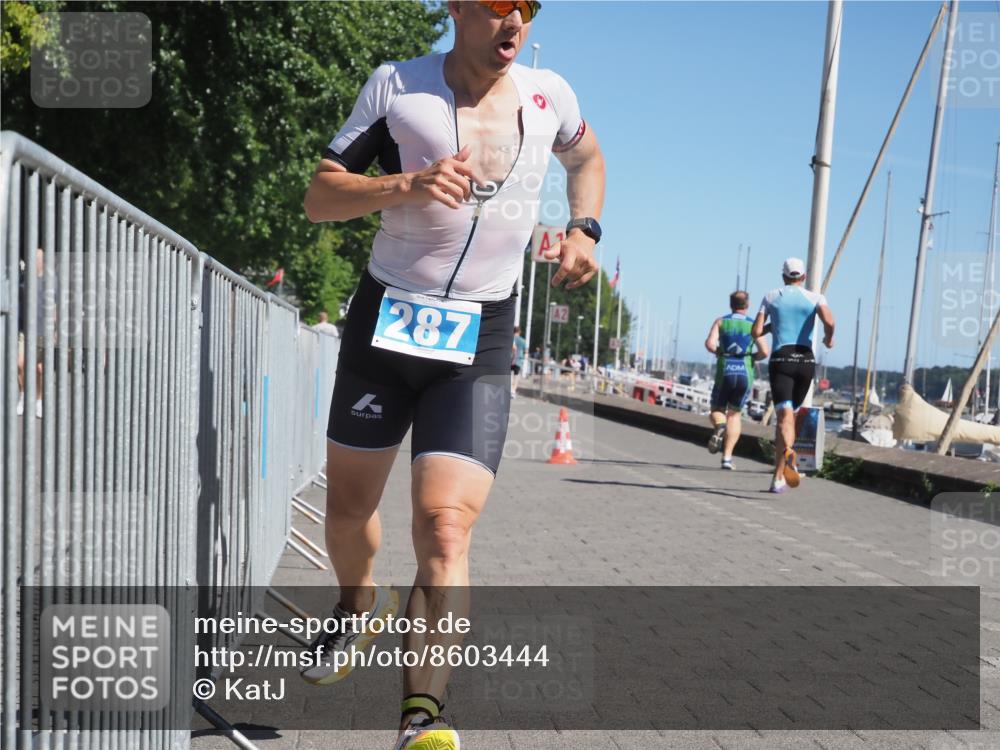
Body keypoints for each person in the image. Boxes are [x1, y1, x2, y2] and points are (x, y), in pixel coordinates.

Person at [301, 2, 605, 747]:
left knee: (445, 529)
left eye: (530, 10)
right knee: (348, 511)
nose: (517, 23)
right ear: (460, 7)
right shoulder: (398, 88)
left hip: (480, 338)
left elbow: (588, 160)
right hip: (385, 326)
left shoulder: (550, 97)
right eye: (503, 6)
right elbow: (319, 196)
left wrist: (584, 228)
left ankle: (421, 719)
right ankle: (355, 602)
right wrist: (403, 186)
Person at [752, 258, 835, 494]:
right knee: (790, 418)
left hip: (781, 360)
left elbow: (756, 331)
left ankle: (788, 452)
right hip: (805, 361)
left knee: (784, 418)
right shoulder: (816, 298)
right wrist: (828, 338)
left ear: (783, 276)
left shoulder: (771, 296)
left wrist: (772, 327)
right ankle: (778, 477)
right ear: (804, 277)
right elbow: (829, 320)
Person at [704, 291, 769, 470]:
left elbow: (710, 344)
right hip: (744, 372)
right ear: (747, 305)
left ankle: (719, 425)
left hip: (725, 370)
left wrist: (719, 352)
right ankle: (727, 458)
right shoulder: (753, 325)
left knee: (717, 410)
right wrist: (752, 358)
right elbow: (765, 351)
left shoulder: (721, 322)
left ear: (731, 304)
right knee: (735, 414)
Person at [510, 325, 527, 398]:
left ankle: (509, 388)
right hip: (519, 360)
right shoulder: (523, 341)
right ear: (519, 332)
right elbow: (526, 351)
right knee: (516, 376)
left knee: (509, 374)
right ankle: (513, 391)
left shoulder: (510, 339)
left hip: (510, 359)